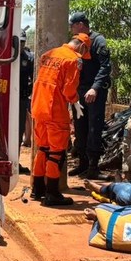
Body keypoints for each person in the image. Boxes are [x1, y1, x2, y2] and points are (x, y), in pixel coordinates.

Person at [30, 33, 92, 206]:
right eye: (85, 51)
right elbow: (68, 89)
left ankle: (37, 189)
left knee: (42, 148)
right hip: (55, 110)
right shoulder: (73, 60)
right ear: (82, 46)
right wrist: (74, 101)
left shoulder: (48, 54)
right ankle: (52, 193)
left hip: (39, 107)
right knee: (56, 153)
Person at [67, 12, 111, 179]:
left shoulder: (98, 40)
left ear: (80, 24)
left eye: (72, 25)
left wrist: (95, 88)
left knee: (94, 127)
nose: (70, 28)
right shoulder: (77, 42)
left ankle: (93, 166)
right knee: (80, 127)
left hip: (94, 92)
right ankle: (83, 164)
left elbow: (105, 67)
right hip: (79, 91)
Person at [18, 28, 34, 148]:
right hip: (6, 98)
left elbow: (34, 77)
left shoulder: (28, 59)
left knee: (19, 129)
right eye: (18, 42)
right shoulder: (3, 55)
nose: (20, 45)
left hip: (22, 98)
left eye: (22, 42)